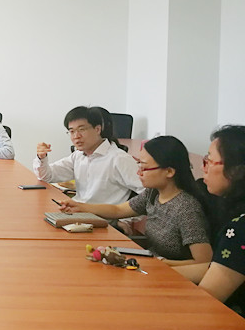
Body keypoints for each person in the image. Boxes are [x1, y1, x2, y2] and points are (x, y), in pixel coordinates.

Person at [57, 135, 212, 266]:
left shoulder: (186, 208)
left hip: (172, 276)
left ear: (169, 171)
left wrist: (161, 263)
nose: (139, 172)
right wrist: (80, 206)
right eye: (139, 165)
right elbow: (118, 210)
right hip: (151, 265)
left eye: (144, 168)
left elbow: (203, 262)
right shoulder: (153, 194)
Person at [174, 126, 245, 315]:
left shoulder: (240, 230)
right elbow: (222, 267)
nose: (202, 168)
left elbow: (206, 302)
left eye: (209, 161)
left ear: (236, 171)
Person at [34, 106, 143, 204]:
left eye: (81, 129)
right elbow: (46, 176)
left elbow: (147, 193)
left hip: (103, 217)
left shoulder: (119, 159)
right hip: (78, 211)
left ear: (97, 129)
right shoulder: (78, 156)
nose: (76, 136)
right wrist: (42, 158)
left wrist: (126, 215)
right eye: (72, 131)